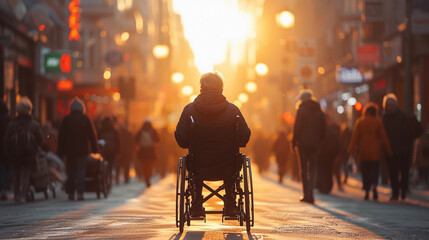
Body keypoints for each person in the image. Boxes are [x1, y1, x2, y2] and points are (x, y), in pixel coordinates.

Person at [175, 72, 251, 216]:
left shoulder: (189, 110)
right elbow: (244, 137)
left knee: (194, 161)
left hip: (198, 165)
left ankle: (196, 203)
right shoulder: (233, 111)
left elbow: (181, 140)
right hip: (228, 165)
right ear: (221, 90)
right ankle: (229, 202)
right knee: (233, 162)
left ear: (201, 90)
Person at [348, 103, 392, 201]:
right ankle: (375, 187)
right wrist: (389, 150)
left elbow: (354, 138)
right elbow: (384, 137)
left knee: (365, 171)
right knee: (375, 171)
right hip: (375, 152)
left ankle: (367, 191)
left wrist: (350, 151)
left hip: (363, 152)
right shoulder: (378, 122)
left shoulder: (360, 122)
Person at [382, 93, 422, 200]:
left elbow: (413, 130)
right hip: (390, 150)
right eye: (388, 104)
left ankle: (403, 190)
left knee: (404, 172)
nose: (389, 106)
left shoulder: (404, 116)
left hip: (404, 150)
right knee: (393, 173)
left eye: (391, 104)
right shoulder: (383, 119)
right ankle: (395, 193)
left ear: (395, 104)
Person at [57, 97, 98, 201]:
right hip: (82, 150)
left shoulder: (66, 119)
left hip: (69, 150)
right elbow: (92, 135)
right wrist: (95, 149)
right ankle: (80, 193)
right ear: (82, 108)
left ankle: (71, 193)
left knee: (70, 171)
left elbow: (61, 137)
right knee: (81, 171)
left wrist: (60, 153)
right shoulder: (85, 118)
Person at [4, 97, 44, 203]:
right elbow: (41, 139)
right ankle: (22, 196)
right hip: (29, 154)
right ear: (29, 109)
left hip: (15, 154)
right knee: (25, 174)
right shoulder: (33, 124)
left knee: (16, 174)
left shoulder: (12, 124)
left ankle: (16, 194)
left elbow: (7, 140)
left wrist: (7, 153)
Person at [292, 89, 326, 204]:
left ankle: (305, 194)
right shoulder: (319, 110)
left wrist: (294, 141)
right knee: (312, 168)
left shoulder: (301, 110)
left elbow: (297, 127)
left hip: (302, 144)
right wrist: (319, 140)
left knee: (303, 169)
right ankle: (311, 193)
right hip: (315, 144)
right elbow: (323, 129)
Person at [135, 118, 160, 188]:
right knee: (150, 166)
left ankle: (146, 178)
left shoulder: (140, 131)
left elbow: (135, 140)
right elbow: (158, 140)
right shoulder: (153, 131)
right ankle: (148, 178)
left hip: (143, 151)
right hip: (151, 151)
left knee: (144, 166)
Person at [98, 117, 120, 185]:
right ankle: (109, 179)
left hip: (103, 151)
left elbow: (97, 140)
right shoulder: (114, 130)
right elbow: (118, 142)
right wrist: (118, 151)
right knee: (110, 166)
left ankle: (104, 179)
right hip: (112, 152)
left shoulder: (101, 130)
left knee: (103, 166)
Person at [0, 100, 12, 200]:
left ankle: (2, 189)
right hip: (7, 147)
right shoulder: (8, 119)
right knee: (7, 168)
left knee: (2, 168)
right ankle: (4, 189)